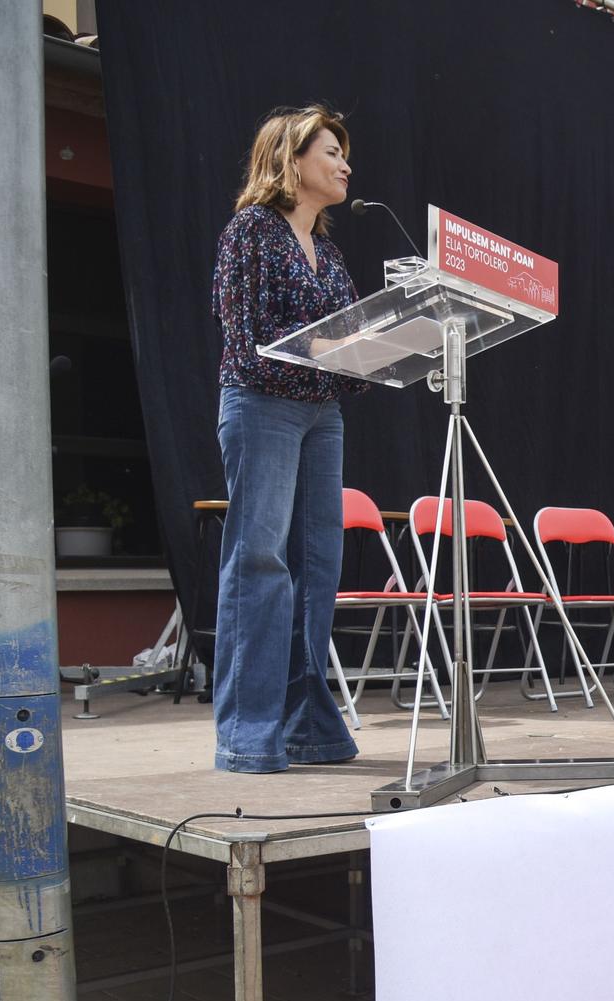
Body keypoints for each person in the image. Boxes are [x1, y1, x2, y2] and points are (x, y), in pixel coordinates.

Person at [209, 105, 365, 773]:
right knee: (261, 564)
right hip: (264, 407)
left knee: (316, 570)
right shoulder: (251, 231)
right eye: (331, 151)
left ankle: (308, 728)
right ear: (291, 160)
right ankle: (248, 734)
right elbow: (245, 348)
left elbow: (354, 344)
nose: (344, 164)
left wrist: (368, 352)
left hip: (321, 414)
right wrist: (327, 349)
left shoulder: (327, 254)